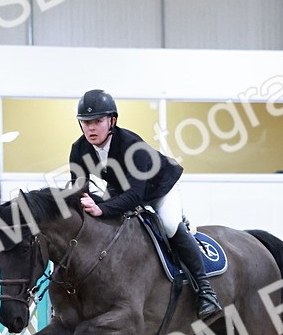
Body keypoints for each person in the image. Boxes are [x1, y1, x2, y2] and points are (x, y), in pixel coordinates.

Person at [68, 89, 223, 323]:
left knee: (169, 225)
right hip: (123, 189)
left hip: (159, 188)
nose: (91, 128)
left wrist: (102, 208)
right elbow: (78, 188)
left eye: (97, 121)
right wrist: (88, 203)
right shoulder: (79, 149)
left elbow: (135, 195)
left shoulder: (131, 145)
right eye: (86, 122)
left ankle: (206, 291)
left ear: (112, 121)